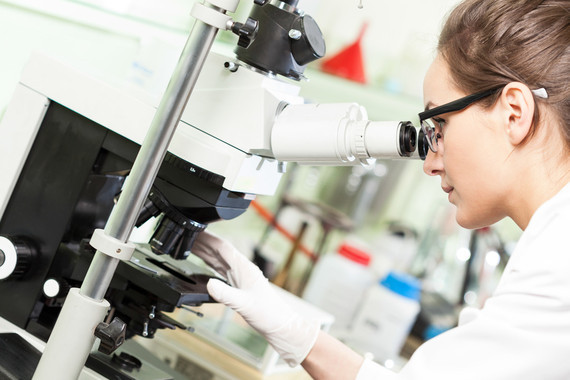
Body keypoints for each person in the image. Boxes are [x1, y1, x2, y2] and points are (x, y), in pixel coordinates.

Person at [191, 0, 570, 378]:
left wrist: (296, 336)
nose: (430, 163)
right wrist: (297, 337)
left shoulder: (558, 263)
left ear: (514, 113)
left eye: (439, 127)